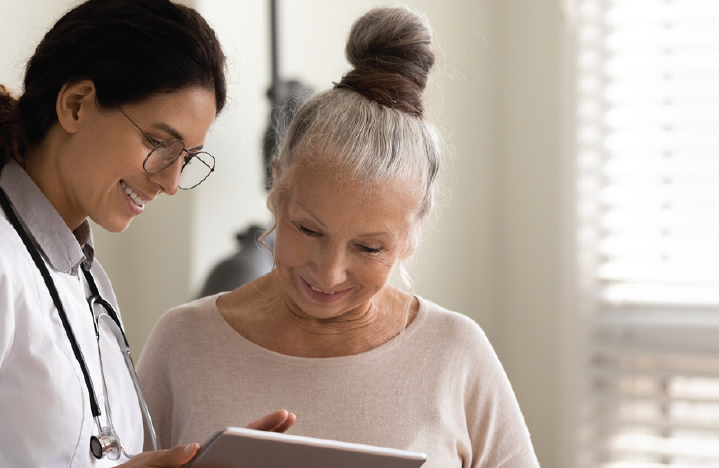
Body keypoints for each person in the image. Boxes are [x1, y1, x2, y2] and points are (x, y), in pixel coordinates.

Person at [0, 1, 293, 466]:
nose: (170, 182)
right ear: (75, 105)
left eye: (187, 158)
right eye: (159, 143)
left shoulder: (85, 277)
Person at [136, 5, 541, 467]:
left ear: (411, 233)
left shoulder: (455, 353)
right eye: (308, 230)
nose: (329, 273)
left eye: (370, 247)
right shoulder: (184, 343)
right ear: (277, 190)